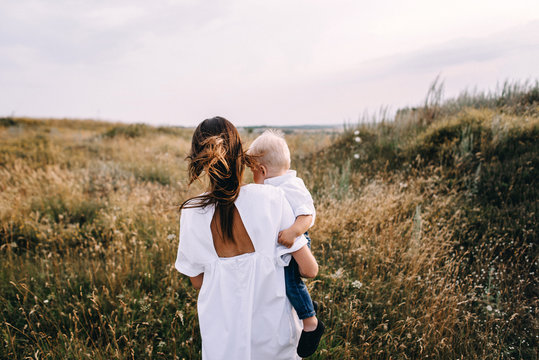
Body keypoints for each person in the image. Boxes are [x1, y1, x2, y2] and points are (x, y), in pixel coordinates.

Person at [174, 116, 319, 360]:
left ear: (200, 159)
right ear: (240, 154)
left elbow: (198, 282)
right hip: (276, 339)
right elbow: (309, 269)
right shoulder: (272, 198)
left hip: (223, 342)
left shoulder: (192, 212)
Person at [247, 130, 325, 358]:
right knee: (290, 283)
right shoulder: (277, 185)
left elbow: (307, 214)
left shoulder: (291, 185)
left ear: (261, 171)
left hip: (295, 241)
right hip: (288, 243)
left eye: (253, 172)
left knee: (291, 283)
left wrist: (293, 232)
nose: (252, 176)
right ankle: (307, 304)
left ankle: (311, 323)